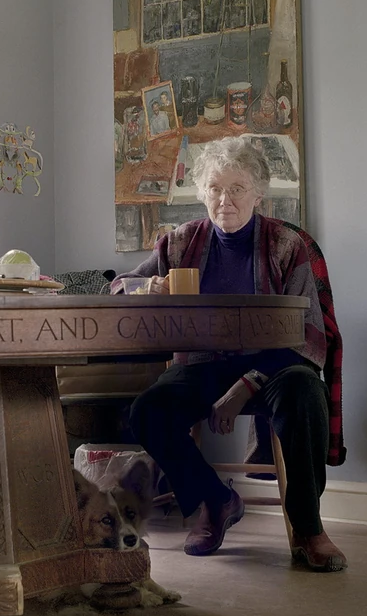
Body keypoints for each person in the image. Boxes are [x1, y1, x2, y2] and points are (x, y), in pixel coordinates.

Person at [112, 137, 347, 572]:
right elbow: (119, 286)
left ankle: (309, 527)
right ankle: (215, 500)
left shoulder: (288, 244)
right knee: (147, 410)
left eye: (237, 189)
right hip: (202, 364)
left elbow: (305, 334)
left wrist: (244, 388)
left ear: (258, 195)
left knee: (305, 393)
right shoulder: (180, 242)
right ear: (202, 193)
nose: (225, 200)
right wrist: (148, 286)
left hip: (274, 366)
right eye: (215, 188)